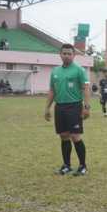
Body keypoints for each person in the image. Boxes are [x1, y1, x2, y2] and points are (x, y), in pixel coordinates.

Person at [44, 44, 92, 176]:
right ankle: (66, 165)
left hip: (74, 106)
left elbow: (86, 89)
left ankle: (83, 166)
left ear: (74, 55)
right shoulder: (55, 71)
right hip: (59, 107)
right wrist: (47, 108)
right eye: (64, 53)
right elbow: (52, 90)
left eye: (69, 53)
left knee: (75, 136)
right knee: (64, 136)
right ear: (60, 54)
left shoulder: (79, 70)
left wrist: (86, 107)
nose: (66, 55)